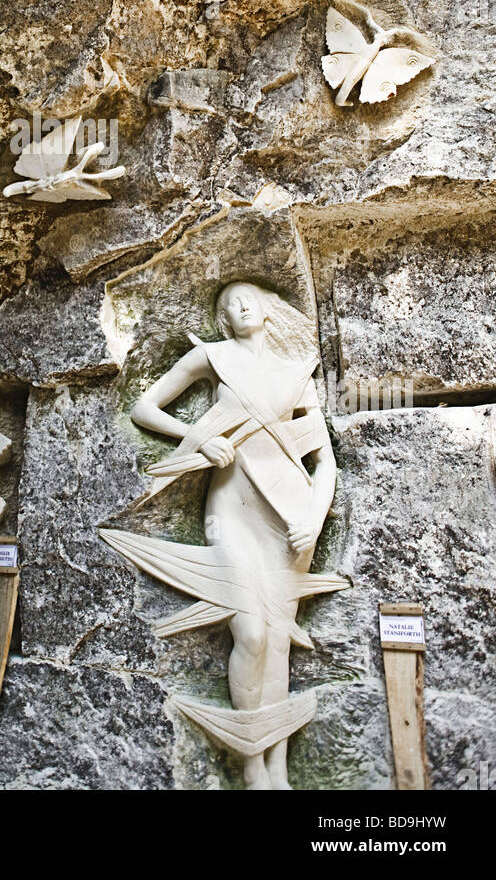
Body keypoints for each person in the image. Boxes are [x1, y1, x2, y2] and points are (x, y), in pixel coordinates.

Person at [126, 280, 340, 790]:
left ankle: (278, 770)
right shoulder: (214, 358)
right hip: (231, 509)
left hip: (289, 512)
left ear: (268, 310)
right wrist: (202, 438)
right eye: (228, 304)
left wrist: (313, 515)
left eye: (249, 298)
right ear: (222, 321)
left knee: (281, 640)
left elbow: (323, 458)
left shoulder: (295, 374)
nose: (240, 305)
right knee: (252, 632)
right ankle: (250, 767)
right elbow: (145, 409)